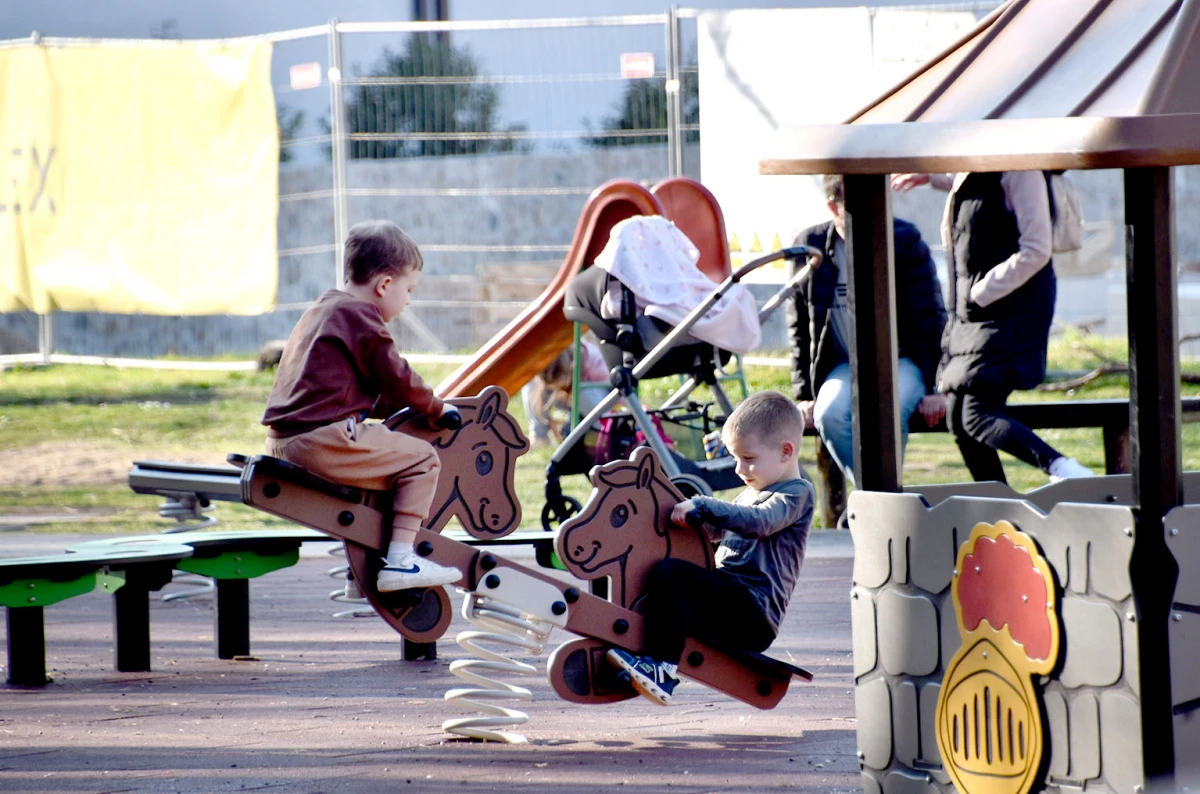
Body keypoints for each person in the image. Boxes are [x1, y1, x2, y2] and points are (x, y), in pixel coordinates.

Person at [262, 220, 461, 592]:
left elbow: (363, 390)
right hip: (321, 439)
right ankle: (400, 562)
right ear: (385, 285)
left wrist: (399, 409)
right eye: (409, 289)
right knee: (422, 460)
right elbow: (397, 377)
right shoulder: (361, 316)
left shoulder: (325, 309)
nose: (408, 300)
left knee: (384, 461)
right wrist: (435, 407)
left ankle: (363, 572)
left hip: (284, 440)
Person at [606, 390, 814, 705]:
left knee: (672, 575)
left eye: (749, 458)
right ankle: (641, 647)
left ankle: (661, 668)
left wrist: (704, 504)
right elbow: (715, 531)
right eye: (735, 458)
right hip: (729, 598)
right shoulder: (751, 491)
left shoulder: (796, 494)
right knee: (665, 571)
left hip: (753, 614)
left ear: (786, 451)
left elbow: (760, 522)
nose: (739, 469)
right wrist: (673, 517)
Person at [892, 171, 1094, 483]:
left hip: (1010, 307)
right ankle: (999, 505)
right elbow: (977, 182)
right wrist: (933, 177)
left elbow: (1037, 248)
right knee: (959, 421)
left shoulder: (1023, 172)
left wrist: (980, 292)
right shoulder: (985, 166)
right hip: (977, 312)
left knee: (977, 414)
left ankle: (1063, 469)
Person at [786, 174, 948, 486]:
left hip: (902, 361)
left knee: (888, 412)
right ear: (833, 207)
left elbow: (931, 316)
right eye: (858, 203)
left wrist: (937, 386)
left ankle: (877, 502)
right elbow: (799, 327)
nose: (874, 210)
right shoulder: (812, 247)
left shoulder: (904, 240)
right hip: (843, 365)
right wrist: (804, 394)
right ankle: (880, 498)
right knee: (828, 415)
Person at [521, 337, 610, 448]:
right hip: (571, 399)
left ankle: (605, 433)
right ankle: (539, 435)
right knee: (532, 385)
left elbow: (616, 394)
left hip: (599, 401)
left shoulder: (593, 363)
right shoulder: (551, 361)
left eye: (559, 385)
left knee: (581, 395)